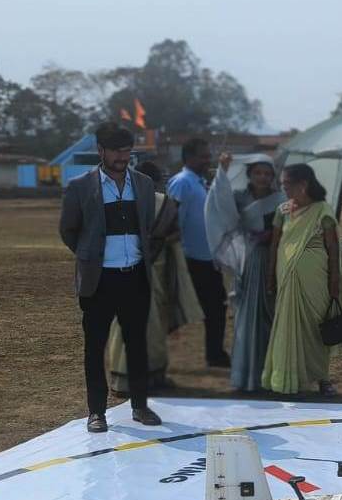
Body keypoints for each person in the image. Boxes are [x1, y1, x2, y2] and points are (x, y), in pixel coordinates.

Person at [58, 122, 161, 432]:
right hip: (99, 281)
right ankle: (97, 412)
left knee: (137, 345)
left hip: (135, 278)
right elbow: (68, 230)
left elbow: (148, 226)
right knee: (95, 348)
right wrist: (90, 256)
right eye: (116, 151)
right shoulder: (80, 187)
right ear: (100, 151)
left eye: (127, 151)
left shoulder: (143, 184)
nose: (122, 157)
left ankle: (140, 406)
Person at [261, 163, 342, 395]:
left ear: (303, 184)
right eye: (282, 184)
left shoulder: (322, 210)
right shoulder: (282, 211)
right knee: (288, 328)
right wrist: (270, 277)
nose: (284, 188)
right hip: (286, 276)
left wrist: (335, 281)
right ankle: (288, 378)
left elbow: (333, 248)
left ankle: (323, 378)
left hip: (317, 279)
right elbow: (275, 245)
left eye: (288, 184)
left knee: (315, 328)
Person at [106, 161, 202, 395]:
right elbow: (175, 235)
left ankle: (131, 381)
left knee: (129, 326)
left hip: (125, 274)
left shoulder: (116, 201)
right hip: (150, 274)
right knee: (149, 327)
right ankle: (144, 379)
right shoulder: (164, 204)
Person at [206, 152, 283, 392]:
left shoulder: (280, 198)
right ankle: (248, 376)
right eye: (258, 172)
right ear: (250, 174)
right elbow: (220, 205)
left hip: (275, 259)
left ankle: (271, 374)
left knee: (271, 315)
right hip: (249, 260)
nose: (263, 177)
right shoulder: (239, 196)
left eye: (267, 173)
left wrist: (273, 235)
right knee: (247, 316)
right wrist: (222, 170)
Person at [167, 138, 231, 368]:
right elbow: (172, 221)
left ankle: (215, 354)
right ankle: (150, 356)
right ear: (189, 158)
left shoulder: (200, 182)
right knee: (178, 312)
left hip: (207, 260)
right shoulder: (182, 183)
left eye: (208, 155)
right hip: (190, 260)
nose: (208, 160)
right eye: (203, 156)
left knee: (216, 308)